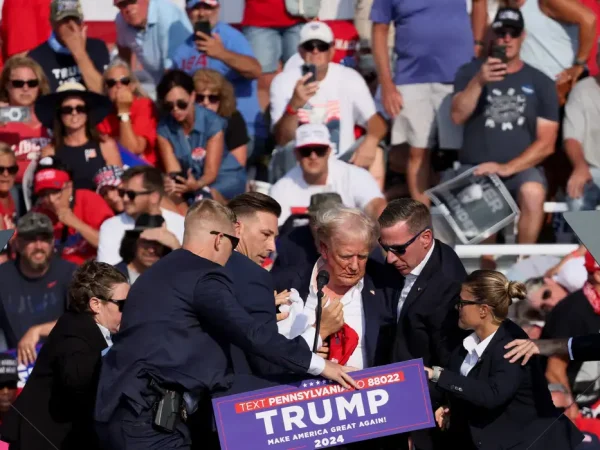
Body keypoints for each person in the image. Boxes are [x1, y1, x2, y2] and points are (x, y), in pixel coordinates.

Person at [94, 199, 356, 449]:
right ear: (220, 239)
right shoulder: (205, 277)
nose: (233, 252)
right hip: (150, 421)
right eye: (234, 242)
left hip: (122, 410)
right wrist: (321, 366)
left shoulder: (152, 275)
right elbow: (251, 333)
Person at [425, 270, 583, 449]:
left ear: (483, 310)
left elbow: (492, 394)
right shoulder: (467, 344)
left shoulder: (512, 343)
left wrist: (438, 375)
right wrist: (450, 406)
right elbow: (469, 388)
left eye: (462, 303)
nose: (457, 307)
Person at [448, 7, 559, 245]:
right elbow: (457, 116)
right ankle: (488, 274)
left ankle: (523, 268)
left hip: (520, 170)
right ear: (492, 35)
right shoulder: (469, 72)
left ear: (523, 36)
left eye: (513, 32)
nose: (507, 39)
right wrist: (479, 81)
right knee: (482, 208)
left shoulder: (541, 81)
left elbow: (547, 143)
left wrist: (507, 167)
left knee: (533, 192)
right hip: (476, 168)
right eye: (501, 32)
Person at [0, 261, 129, 450]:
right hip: (41, 439)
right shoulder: (74, 334)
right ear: (96, 304)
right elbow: (79, 382)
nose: (129, 311)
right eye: (123, 304)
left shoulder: (83, 327)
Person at [370, 0, 479, 205]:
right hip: (410, 77)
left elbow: (479, 3)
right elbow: (379, 30)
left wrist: (479, 44)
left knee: (464, 151)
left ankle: (468, 219)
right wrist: (386, 85)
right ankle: (424, 225)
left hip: (460, 76)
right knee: (416, 152)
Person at [378, 198, 467, 450]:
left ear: (425, 238)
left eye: (398, 249)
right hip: (387, 397)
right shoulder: (403, 263)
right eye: (384, 247)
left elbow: (449, 362)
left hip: (420, 411)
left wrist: (413, 421)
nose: (389, 259)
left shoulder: (449, 287)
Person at [275, 205, 397, 370]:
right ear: (324, 249)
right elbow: (265, 353)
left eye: (362, 256)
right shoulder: (284, 284)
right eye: (346, 256)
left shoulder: (384, 286)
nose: (354, 266)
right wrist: (308, 357)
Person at [270, 21, 387, 185]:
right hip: (301, 160)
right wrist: (293, 106)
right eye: (310, 46)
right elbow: (282, 139)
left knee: (377, 149)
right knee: (288, 150)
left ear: (332, 50)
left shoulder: (349, 77)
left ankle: (371, 209)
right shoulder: (283, 81)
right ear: (300, 51)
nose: (316, 51)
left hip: (341, 161)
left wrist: (371, 140)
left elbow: (376, 122)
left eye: (322, 46)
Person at [508, 251, 600, 420]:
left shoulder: (589, 304)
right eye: (543, 307)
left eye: (547, 294)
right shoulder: (570, 312)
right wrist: (575, 416)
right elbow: (554, 371)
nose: (549, 303)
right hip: (581, 404)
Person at [171, 0, 265, 164]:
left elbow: (255, 70)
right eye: (196, 8)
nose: (202, 13)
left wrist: (221, 53)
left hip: (240, 131)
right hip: (200, 133)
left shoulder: (231, 37)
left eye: (207, 7)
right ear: (187, 12)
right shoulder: (182, 49)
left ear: (217, 8)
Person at [157, 70, 246, 204]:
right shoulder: (164, 128)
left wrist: (196, 185)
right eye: (169, 106)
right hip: (191, 181)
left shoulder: (212, 122)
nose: (175, 110)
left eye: (181, 104)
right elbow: (174, 171)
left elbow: (211, 172)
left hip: (223, 177)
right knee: (169, 197)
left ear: (192, 96)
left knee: (203, 199)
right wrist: (176, 183)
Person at [270, 123, 387, 226]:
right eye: (306, 151)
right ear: (296, 154)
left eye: (319, 150)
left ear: (329, 151)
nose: (313, 156)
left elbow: (376, 206)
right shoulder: (282, 189)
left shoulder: (355, 176)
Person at [0, 212, 76, 364]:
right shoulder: (3, 276)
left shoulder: (70, 273)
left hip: (63, 361)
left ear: (53, 242)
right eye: (31, 240)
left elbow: (85, 322)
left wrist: (38, 330)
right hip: (15, 366)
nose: (39, 246)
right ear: (18, 244)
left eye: (44, 239)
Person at [36, 82, 122, 191]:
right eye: (67, 109)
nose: (74, 113)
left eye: (80, 108)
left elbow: (117, 189)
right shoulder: (49, 151)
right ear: (59, 115)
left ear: (87, 113)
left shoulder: (106, 145)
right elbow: (48, 192)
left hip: (101, 205)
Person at [31, 157, 114, 265]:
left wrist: (76, 224)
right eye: (44, 194)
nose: (51, 200)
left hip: (94, 272)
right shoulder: (38, 213)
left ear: (69, 187)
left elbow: (113, 246)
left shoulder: (88, 199)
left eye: (56, 191)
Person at [97, 166, 184, 265]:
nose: (124, 199)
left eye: (131, 194)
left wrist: (175, 247)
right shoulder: (110, 227)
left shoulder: (182, 224)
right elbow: (108, 276)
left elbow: (195, 273)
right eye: (122, 193)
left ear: (154, 197)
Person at [27, 0, 110, 93]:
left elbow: (104, 92)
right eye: (65, 20)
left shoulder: (97, 47)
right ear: (53, 23)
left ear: (82, 23)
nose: (71, 26)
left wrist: (79, 54)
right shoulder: (36, 58)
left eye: (75, 20)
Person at [0, 56, 52, 189]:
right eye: (18, 83)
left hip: (47, 185)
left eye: (32, 83)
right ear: (7, 85)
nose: (25, 88)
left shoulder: (52, 115)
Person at [114, 0, 193, 87]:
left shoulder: (167, 14)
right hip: (156, 80)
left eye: (132, 2)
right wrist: (126, 78)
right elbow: (123, 49)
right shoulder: (121, 20)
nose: (128, 8)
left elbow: (173, 67)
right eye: (122, 4)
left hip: (184, 77)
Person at [97, 59, 158, 166]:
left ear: (132, 86)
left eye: (124, 81)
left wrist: (123, 111)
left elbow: (132, 150)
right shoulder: (101, 114)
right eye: (112, 83)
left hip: (145, 170)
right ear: (106, 89)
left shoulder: (144, 105)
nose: (118, 86)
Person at [193, 69, 249, 167]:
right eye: (200, 98)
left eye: (213, 98)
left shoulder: (233, 120)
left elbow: (238, 165)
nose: (206, 103)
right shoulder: (183, 120)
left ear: (222, 98)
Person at [115, 213, 178, 284]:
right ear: (133, 243)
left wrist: (176, 246)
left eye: (157, 243)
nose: (151, 250)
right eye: (146, 242)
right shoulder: (113, 276)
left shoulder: (170, 276)